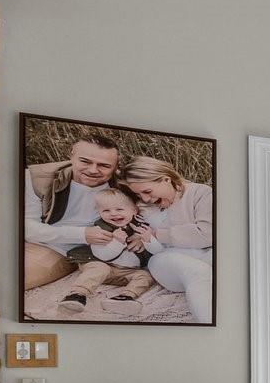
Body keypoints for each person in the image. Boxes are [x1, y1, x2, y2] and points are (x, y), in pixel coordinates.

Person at [119, 152, 214, 324]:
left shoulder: (201, 193)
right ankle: (208, 323)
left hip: (205, 253)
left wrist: (157, 234)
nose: (146, 198)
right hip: (166, 260)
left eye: (147, 191)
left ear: (165, 179)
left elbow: (207, 234)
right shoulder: (143, 206)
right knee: (198, 272)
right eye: (140, 195)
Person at [23, 133, 121, 290]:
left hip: (57, 250)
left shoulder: (123, 188)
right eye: (85, 161)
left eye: (104, 165)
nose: (93, 170)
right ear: (71, 155)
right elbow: (27, 228)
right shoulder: (37, 178)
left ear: (116, 166)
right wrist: (82, 234)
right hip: (28, 239)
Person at [51, 184, 155, 315]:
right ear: (99, 213)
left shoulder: (140, 227)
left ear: (134, 210)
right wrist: (117, 242)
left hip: (124, 272)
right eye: (106, 211)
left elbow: (153, 248)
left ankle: (125, 297)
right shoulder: (100, 230)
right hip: (102, 263)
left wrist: (144, 239)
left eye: (119, 209)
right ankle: (77, 295)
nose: (113, 213)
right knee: (100, 268)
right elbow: (102, 255)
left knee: (145, 276)